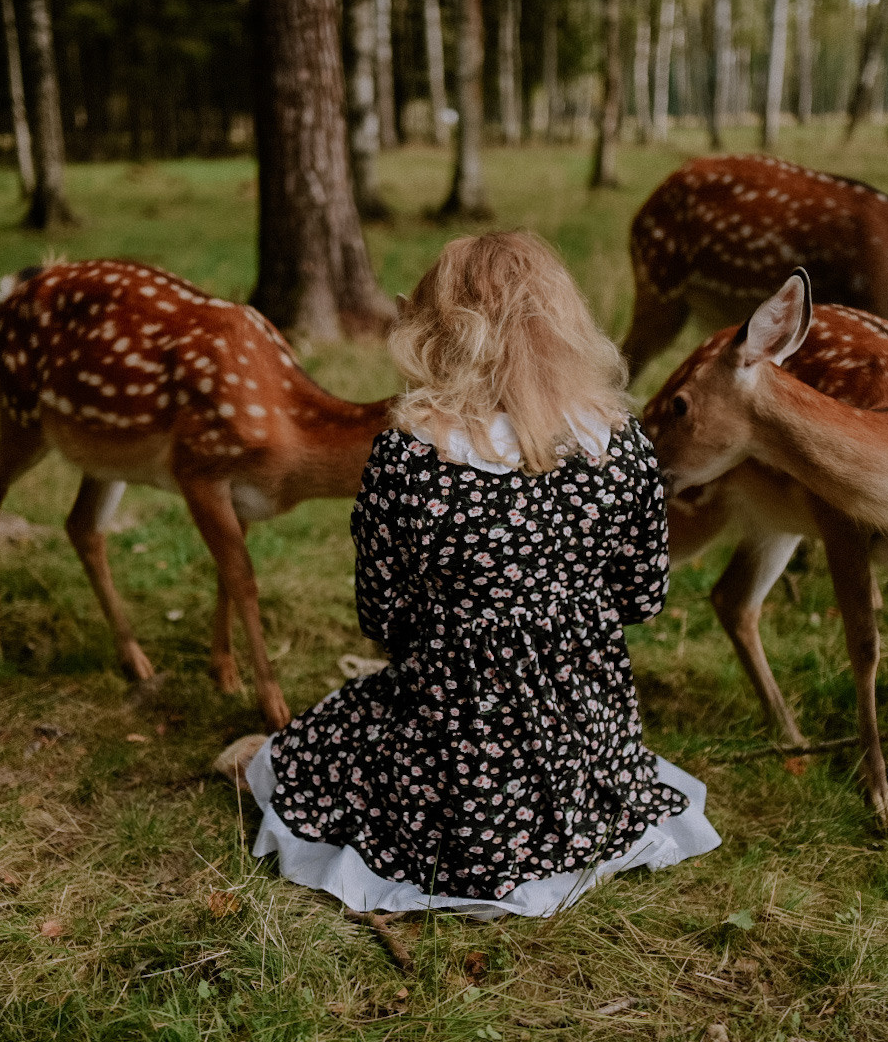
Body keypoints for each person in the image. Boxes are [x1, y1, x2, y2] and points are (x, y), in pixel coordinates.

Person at [216, 231, 720, 918]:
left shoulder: (409, 456)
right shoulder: (621, 444)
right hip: (584, 728)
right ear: (566, 323)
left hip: (451, 729)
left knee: (325, 749)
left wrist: (463, 633)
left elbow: (383, 614)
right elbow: (643, 595)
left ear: (441, 328)